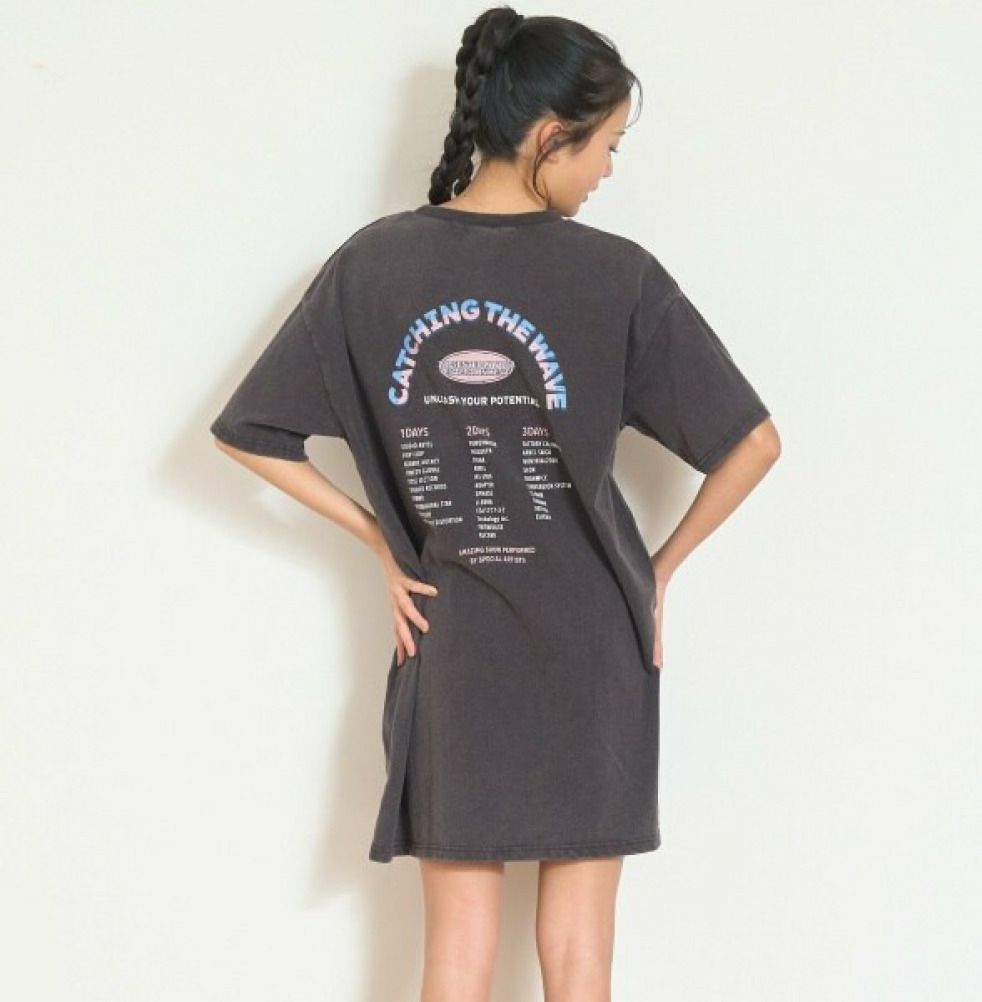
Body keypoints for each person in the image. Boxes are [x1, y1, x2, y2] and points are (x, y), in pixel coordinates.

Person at [209, 6, 781, 1000]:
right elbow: (754, 442)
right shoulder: (616, 276)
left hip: (454, 643)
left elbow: (247, 431)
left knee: (456, 957)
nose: (608, 170)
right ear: (552, 136)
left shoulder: (372, 266)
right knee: (580, 957)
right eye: (606, 146)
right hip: (595, 646)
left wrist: (382, 544)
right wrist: (654, 573)